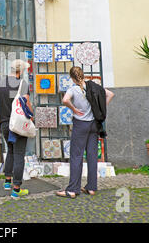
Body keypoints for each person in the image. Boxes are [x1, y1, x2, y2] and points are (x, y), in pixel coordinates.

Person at [56, 66, 114, 198]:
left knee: (76, 156)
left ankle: (72, 190)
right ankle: (91, 187)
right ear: (83, 74)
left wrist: (74, 109)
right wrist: (101, 108)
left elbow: (65, 100)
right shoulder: (93, 86)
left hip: (80, 125)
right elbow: (110, 94)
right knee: (92, 156)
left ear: (72, 78)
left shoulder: (73, 89)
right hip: (94, 124)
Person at [0, 59, 33, 198]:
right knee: (19, 154)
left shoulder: (0, 84)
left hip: (5, 124)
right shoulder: (22, 84)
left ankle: (7, 181)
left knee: (11, 151)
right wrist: (31, 118)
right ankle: (16, 189)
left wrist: (2, 117)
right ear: (20, 71)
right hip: (19, 124)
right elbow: (26, 103)